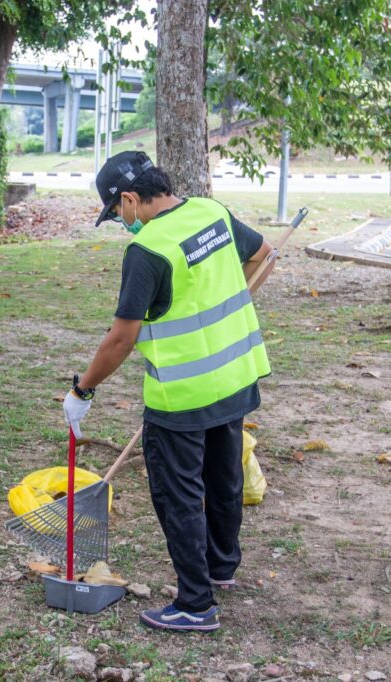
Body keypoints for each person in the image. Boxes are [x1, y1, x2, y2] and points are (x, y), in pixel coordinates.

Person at [62, 151, 276, 632]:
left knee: (178, 496)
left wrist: (83, 390)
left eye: (117, 213)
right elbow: (263, 254)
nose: (121, 223)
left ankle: (195, 605)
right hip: (235, 376)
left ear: (130, 199)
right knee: (224, 478)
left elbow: (121, 338)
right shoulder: (211, 212)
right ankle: (221, 568)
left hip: (181, 395)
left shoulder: (148, 249)